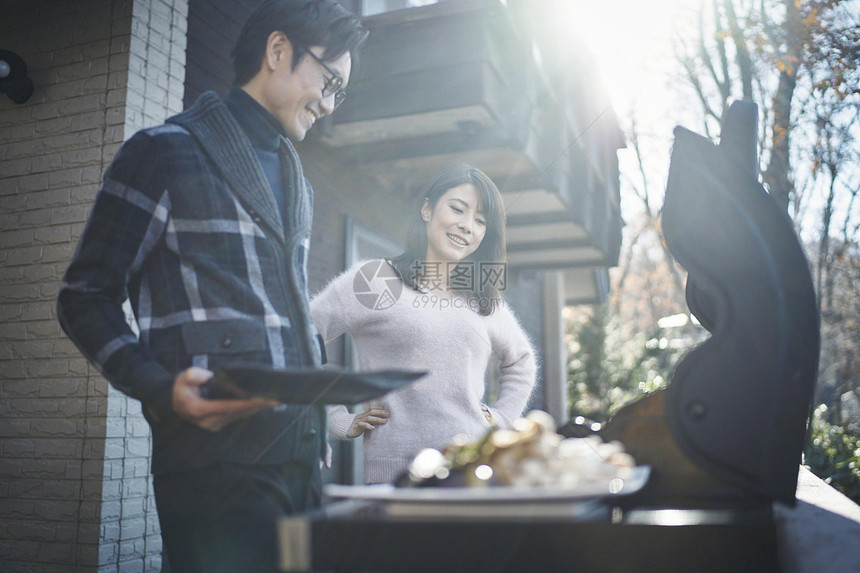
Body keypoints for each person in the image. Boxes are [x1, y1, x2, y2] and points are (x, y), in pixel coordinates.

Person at [56, 1, 367, 571]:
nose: (328, 105)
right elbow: (84, 297)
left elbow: (289, 311)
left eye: (339, 93)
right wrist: (159, 387)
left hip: (299, 454)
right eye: (329, 82)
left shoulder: (298, 179)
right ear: (277, 51)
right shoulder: (161, 152)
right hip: (213, 461)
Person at [311, 163, 537, 484]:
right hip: (394, 478)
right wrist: (334, 417)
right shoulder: (375, 279)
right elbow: (301, 334)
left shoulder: (483, 298)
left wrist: (500, 419)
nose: (466, 226)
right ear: (427, 209)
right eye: (457, 209)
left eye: (480, 220)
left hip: (472, 476)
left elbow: (521, 361)